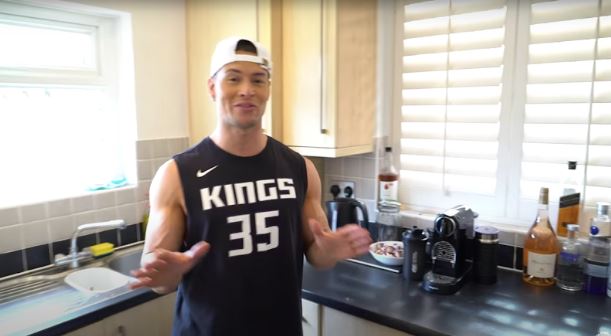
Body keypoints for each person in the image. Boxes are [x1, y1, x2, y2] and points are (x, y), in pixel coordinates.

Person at [130, 36, 372, 336]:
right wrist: (167, 273)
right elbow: (159, 277)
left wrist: (330, 250)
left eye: (258, 80)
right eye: (233, 78)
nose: (247, 90)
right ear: (212, 88)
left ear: (268, 90)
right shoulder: (177, 174)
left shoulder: (300, 168)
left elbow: (316, 255)